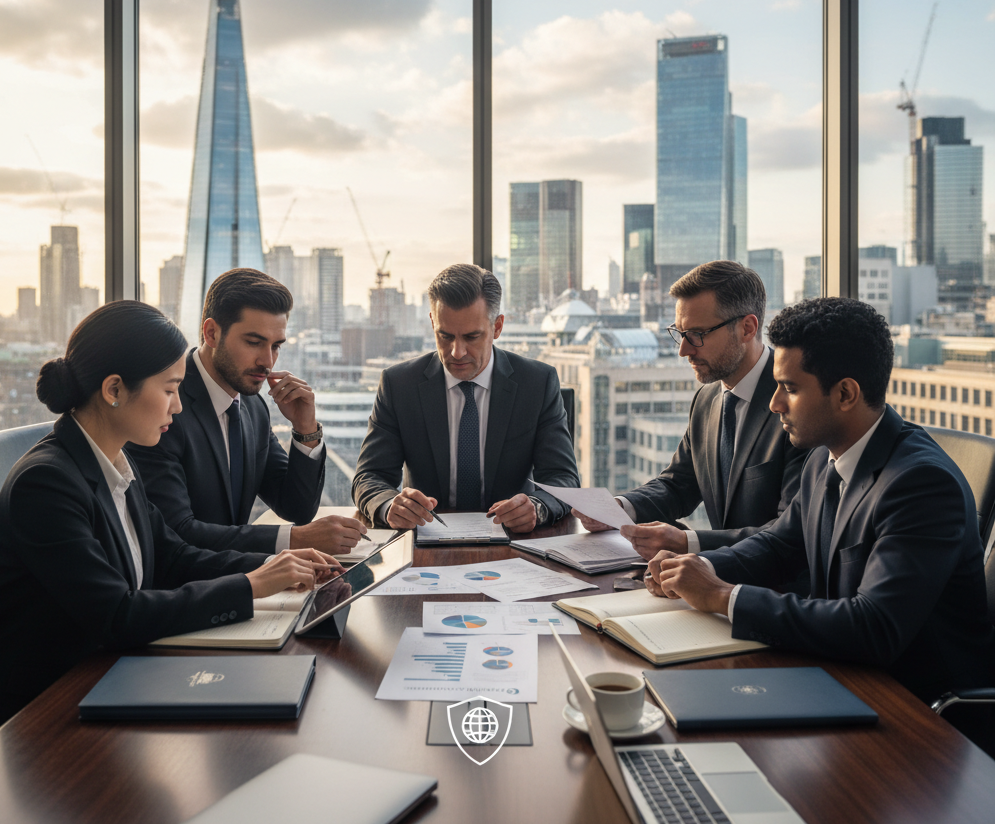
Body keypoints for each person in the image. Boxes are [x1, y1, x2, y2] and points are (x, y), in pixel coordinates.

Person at [0, 301, 340, 725]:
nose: (179, 407)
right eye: (169, 390)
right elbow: (117, 616)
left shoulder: (116, 464)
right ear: (113, 390)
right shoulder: (46, 484)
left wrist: (277, 567)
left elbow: (173, 556)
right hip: (44, 710)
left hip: (108, 673)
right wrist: (250, 586)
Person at [646, 296, 994, 704]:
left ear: (846, 394)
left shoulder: (921, 484)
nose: (774, 404)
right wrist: (696, 568)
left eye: (790, 389)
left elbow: (873, 626)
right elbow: (779, 544)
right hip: (840, 676)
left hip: (919, 714)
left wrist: (723, 596)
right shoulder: (823, 458)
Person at [575, 261, 807, 561]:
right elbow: (679, 484)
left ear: (747, 328)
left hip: (776, 590)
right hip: (716, 581)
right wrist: (620, 507)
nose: (683, 350)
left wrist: (689, 543)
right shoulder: (707, 399)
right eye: (679, 333)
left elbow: (789, 532)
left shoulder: (796, 404)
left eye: (697, 334)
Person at [129, 268, 367, 556]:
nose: (267, 361)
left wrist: (306, 429)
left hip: (236, 583)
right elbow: (177, 532)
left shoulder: (253, 407)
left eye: (276, 346)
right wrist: (293, 541)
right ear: (211, 333)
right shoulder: (165, 406)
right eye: (254, 342)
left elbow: (297, 508)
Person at [352, 263, 580, 532]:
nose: (456, 352)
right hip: (426, 539)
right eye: (444, 336)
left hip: (514, 541)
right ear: (432, 323)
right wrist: (390, 506)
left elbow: (563, 478)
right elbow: (369, 476)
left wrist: (536, 507)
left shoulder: (537, 383)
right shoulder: (399, 385)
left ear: (497, 327)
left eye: (472, 337)